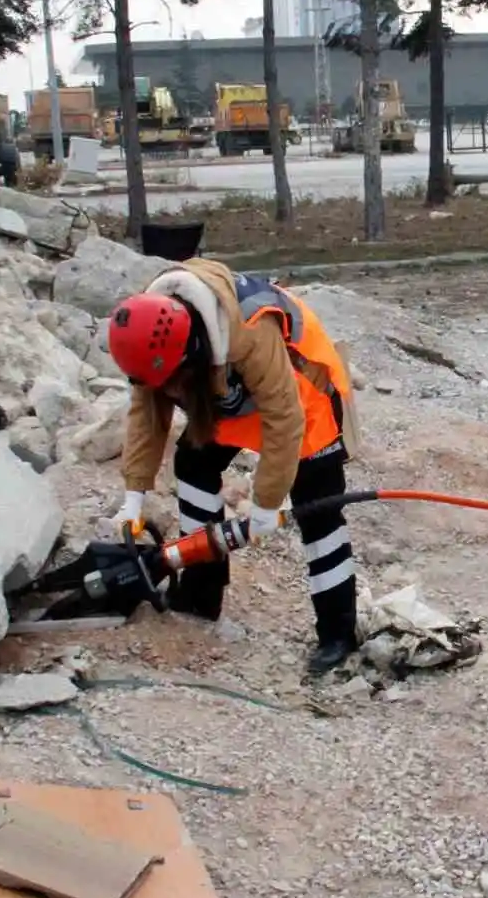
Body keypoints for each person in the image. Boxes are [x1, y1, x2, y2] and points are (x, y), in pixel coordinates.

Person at [106, 258, 362, 676]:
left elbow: (285, 419)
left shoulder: (249, 331)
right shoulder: (154, 327)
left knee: (320, 514)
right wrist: (133, 496)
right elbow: (146, 413)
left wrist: (265, 504)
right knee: (192, 465)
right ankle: (201, 596)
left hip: (303, 399)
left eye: (175, 382)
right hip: (231, 398)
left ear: (194, 353)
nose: (170, 392)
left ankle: (338, 634)